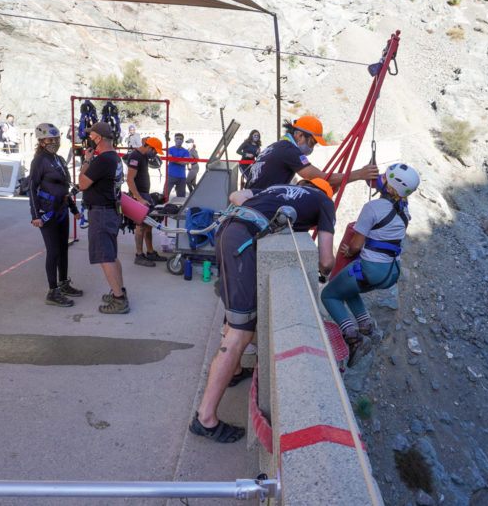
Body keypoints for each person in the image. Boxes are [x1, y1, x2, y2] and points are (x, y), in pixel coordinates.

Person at [190, 178, 336, 443]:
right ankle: (205, 418)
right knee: (240, 332)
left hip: (229, 230)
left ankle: (233, 372)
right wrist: (327, 269)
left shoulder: (275, 188)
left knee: (236, 313)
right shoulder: (325, 201)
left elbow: (236, 194)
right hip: (242, 240)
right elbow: (326, 260)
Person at [321, 163, 420, 367]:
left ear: (391, 188)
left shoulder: (373, 208)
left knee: (329, 295)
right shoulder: (404, 208)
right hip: (392, 270)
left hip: (371, 269)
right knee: (347, 289)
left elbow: (356, 245)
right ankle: (367, 328)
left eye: (384, 177)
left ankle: (354, 338)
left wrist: (349, 252)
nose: (380, 178)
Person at [78, 121, 129, 314]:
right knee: (111, 255)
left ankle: (119, 299)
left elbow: (82, 183)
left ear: (99, 138)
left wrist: (86, 162)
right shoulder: (114, 158)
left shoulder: (102, 160)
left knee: (105, 257)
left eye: (92, 136)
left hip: (101, 212)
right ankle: (119, 291)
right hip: (109, 210)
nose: (89, 138)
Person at [29, 123, 82, 307]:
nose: (53, 143)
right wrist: (35, 215)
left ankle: (63, 282)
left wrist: (74, 210)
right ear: (41, 142)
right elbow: (32, 187)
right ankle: (52, 291)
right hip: (47, 212)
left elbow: (64, 189)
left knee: (63, 249)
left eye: (55, 139)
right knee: (53, 251)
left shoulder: (58, 159)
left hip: (61, 210)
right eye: (49, 140)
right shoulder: (40, 161)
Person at [247, 116, 378, 190]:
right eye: (312, 143)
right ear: (299, 135)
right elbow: (319, 177)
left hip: (252, 197)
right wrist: (359, 174)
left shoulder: (278, 146)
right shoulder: (289, 151)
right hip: (259, 204)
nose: (312, 148)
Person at [126, 137, 169, 267]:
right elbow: (129, 179)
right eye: (155, 151)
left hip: (145, 195)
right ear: (149, 147)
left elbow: (145, 140)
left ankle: (150, 252)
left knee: (148, 225)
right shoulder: (135, 156)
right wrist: (138, 198)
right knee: (140, 226)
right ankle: (139, 255)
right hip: (139, 196)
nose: (155, 154)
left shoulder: (143, 155)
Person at [164, 132, 192, 200]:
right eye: (177, 139)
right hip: (171, 175)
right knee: (165, 195)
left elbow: (184, 163)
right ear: (174, 139)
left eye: (180, 139)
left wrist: (174, 159)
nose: (178, 140)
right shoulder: (170, 149)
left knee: (181, 197)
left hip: (181, 177)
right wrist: (179, 161)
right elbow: (170, 159)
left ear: (182, 140)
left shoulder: (186, 151)